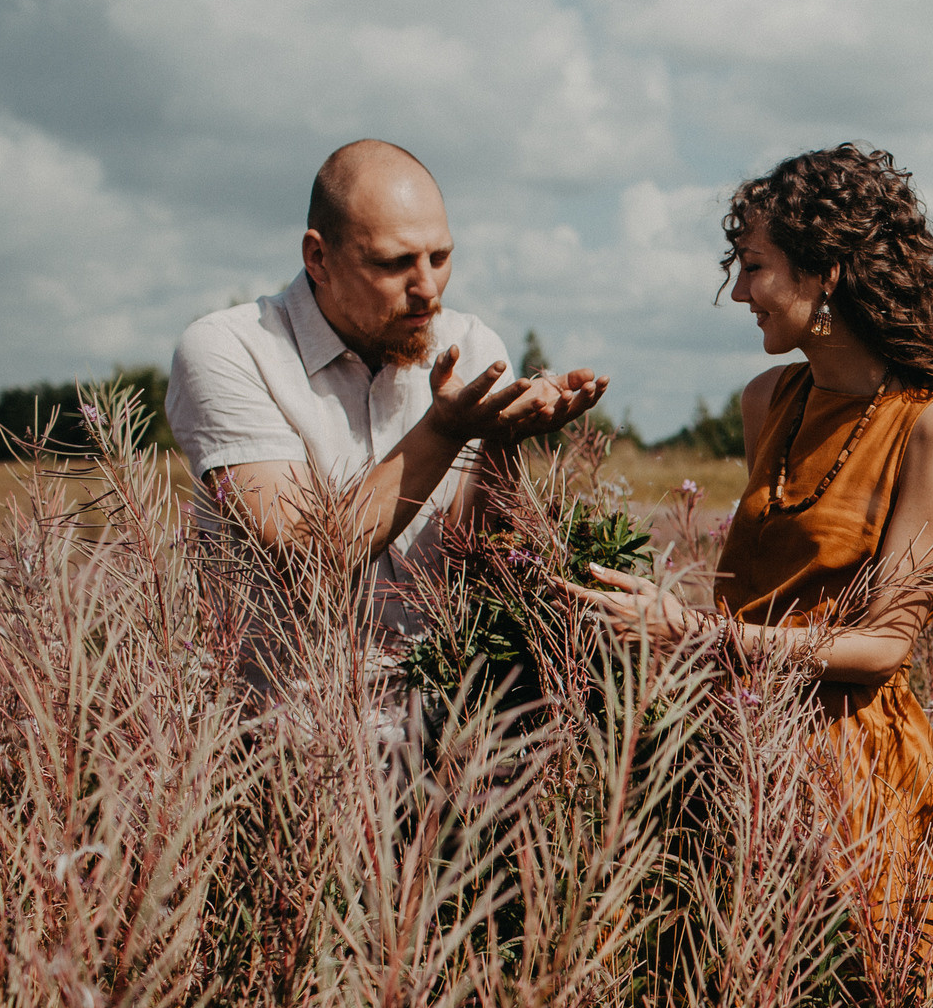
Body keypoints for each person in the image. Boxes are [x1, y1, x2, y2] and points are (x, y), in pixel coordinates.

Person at [563, 143, 933, 1008]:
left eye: (753, 266)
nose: (740, 291)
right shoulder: (767, 401)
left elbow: (882, 646)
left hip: (857, 772)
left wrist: (693, 633)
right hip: (735, 756)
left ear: (826, 271)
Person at [167, 139, 605, 661]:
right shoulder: (231, 350)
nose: (428, 289)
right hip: (296, 724)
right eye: (395, 263)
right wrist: (445, 431)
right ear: (318, 258)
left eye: (440, 257)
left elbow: (481, 565)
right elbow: (307, 555)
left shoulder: (472, 344)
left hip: (450, 719)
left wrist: (505, 437)